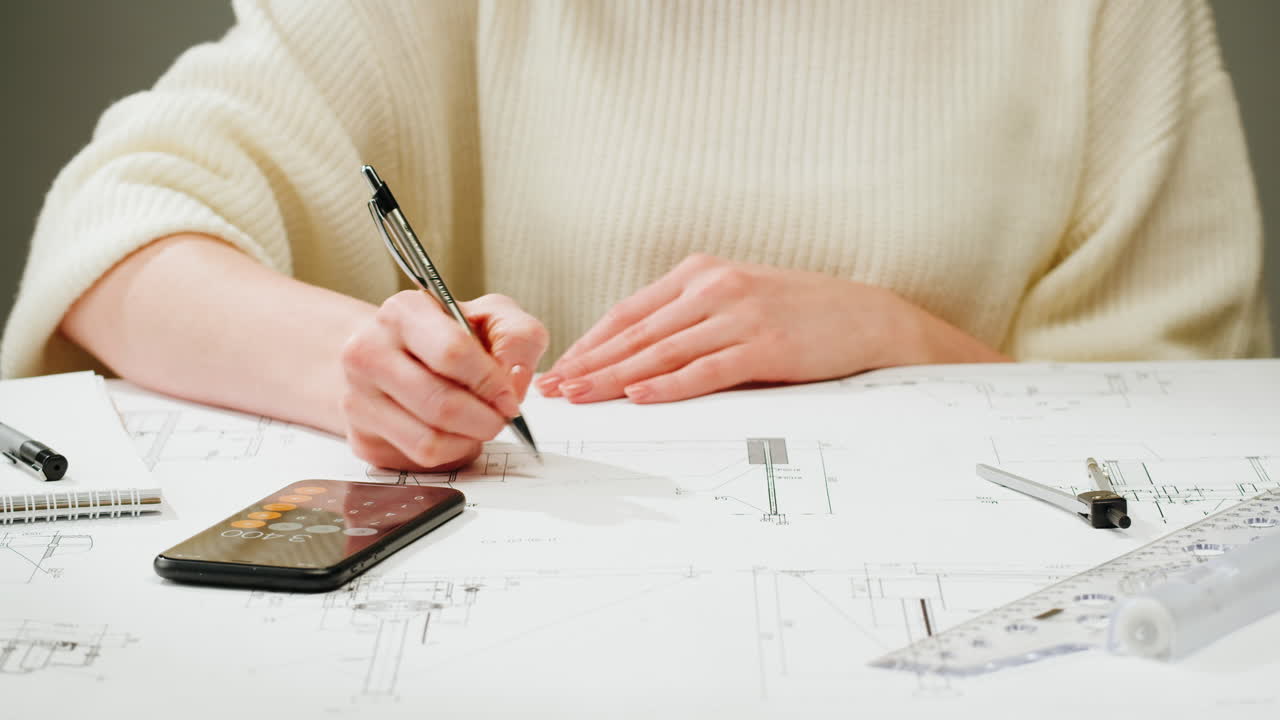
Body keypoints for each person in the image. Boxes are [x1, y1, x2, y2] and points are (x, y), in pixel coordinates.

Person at [1, 0, 1270, 473]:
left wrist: (903, 342)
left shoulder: (1107, 20)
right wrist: (363, 364)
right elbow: (116, 228)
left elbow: (1197, 454)